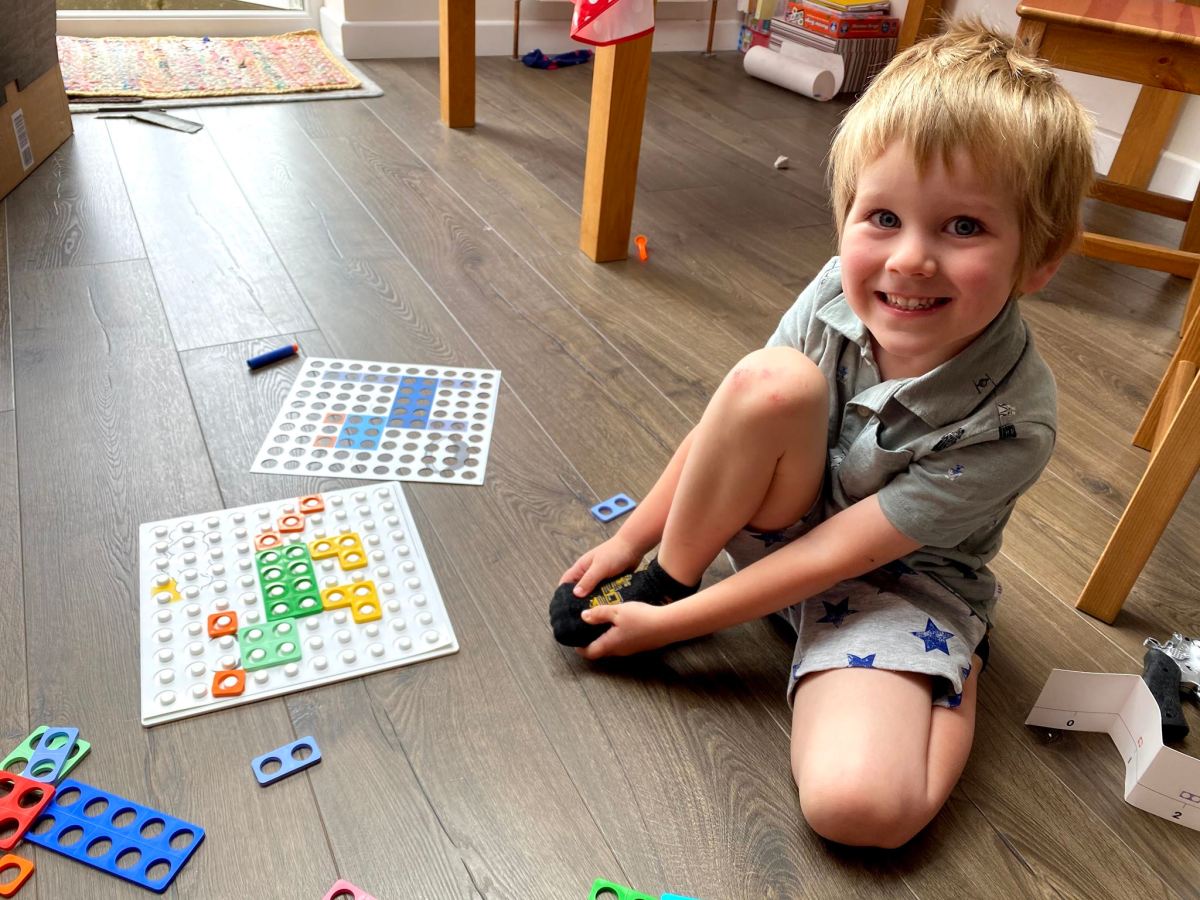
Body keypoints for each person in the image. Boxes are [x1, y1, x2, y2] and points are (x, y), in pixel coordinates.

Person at [548, 19, 1096, 849]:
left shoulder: (1013, 421)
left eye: (963, 228)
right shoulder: (834, 289)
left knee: (858, 812)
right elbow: (729, 421)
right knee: (771, 379)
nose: (909, 260)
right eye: (882, 216)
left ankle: (952, 673)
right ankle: (677, 576)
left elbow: (840, 558)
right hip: (779, 527)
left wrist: (675, 632)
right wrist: (639, 551)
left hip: (893, 587)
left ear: (1040, 259)